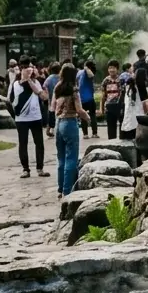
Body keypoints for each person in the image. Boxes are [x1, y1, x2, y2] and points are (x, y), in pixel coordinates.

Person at [52, 63, 92, 196]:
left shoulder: (57, 88)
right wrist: (87, 117)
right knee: (71, 158)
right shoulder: (74, 90)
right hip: (69, 123)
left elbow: (53, 106)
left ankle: (60, 188)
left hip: (58, 123)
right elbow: (79, 110)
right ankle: (67, 190)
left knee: (61, 158)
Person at [10, 63, 49, 178]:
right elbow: (10, 100)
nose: (29, 70)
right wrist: (15, 114)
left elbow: (43, 97)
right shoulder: (16, 84)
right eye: (26, 68)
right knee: (23, 143)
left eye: (31, 68)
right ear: (21, 70)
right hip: (21, 119)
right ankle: (25, 169)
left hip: (35, 117)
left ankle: (40, 168)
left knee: (39, 143)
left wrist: (29, 81)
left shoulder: (36, 82)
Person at [121, 66, 148, 140]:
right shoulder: (140, 87)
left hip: (128, 119)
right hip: (137, 120)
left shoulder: (129, 84)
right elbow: (144, 103)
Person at [98, 60, 123, 140]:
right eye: (110, 68)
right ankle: (112, 143)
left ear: (117, 69)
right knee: (111, 129)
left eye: (113, 68)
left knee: (122, 127)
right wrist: (101, 109)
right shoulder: (106, 81)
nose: (111, 70)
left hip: (120, 107)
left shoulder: (121, 80)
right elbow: (103, 95)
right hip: (109, 107)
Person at [77, 61, 99, 136]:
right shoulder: (87, 72)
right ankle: (94, 133)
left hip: (82, 98)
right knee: (92, 115)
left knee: (83, 116)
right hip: (89, 98)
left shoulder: (79, 72)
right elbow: (91, 75)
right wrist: (86, 68)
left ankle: (85, 134)